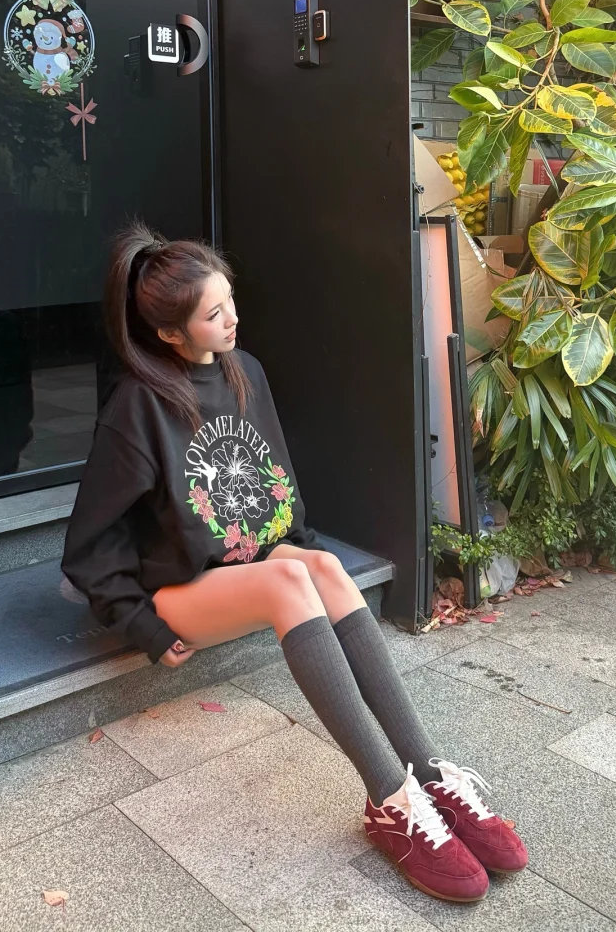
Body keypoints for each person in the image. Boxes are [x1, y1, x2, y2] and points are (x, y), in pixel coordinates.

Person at [62, 224, 528, 904]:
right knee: (290, 577)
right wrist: (140, 624)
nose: (233, 318)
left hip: (248, 564)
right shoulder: (138, 406)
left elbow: (272, 471)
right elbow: (87, 540)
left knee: (324, 567)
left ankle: (428, 773)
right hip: (177, 587)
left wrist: (299, 545)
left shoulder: (243, 370)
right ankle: (390, 800)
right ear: (169, 334)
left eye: (230, 300)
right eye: (214, 313)